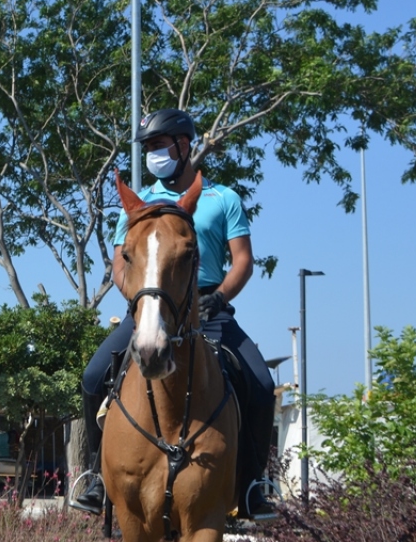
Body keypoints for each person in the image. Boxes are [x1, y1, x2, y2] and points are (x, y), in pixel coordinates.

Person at [72, 109, 278, 520]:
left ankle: (255, 486)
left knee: (261, 384)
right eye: (147, 148)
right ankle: (97, 476)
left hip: (207, 309)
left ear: (184, 146)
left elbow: (242, 262)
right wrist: (140, 302)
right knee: (94, 377)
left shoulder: (223, 200)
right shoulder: (136, 205)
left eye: (158, 146)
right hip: (150, 308)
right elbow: (119, 265)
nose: (152, 155)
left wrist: (218, 298)